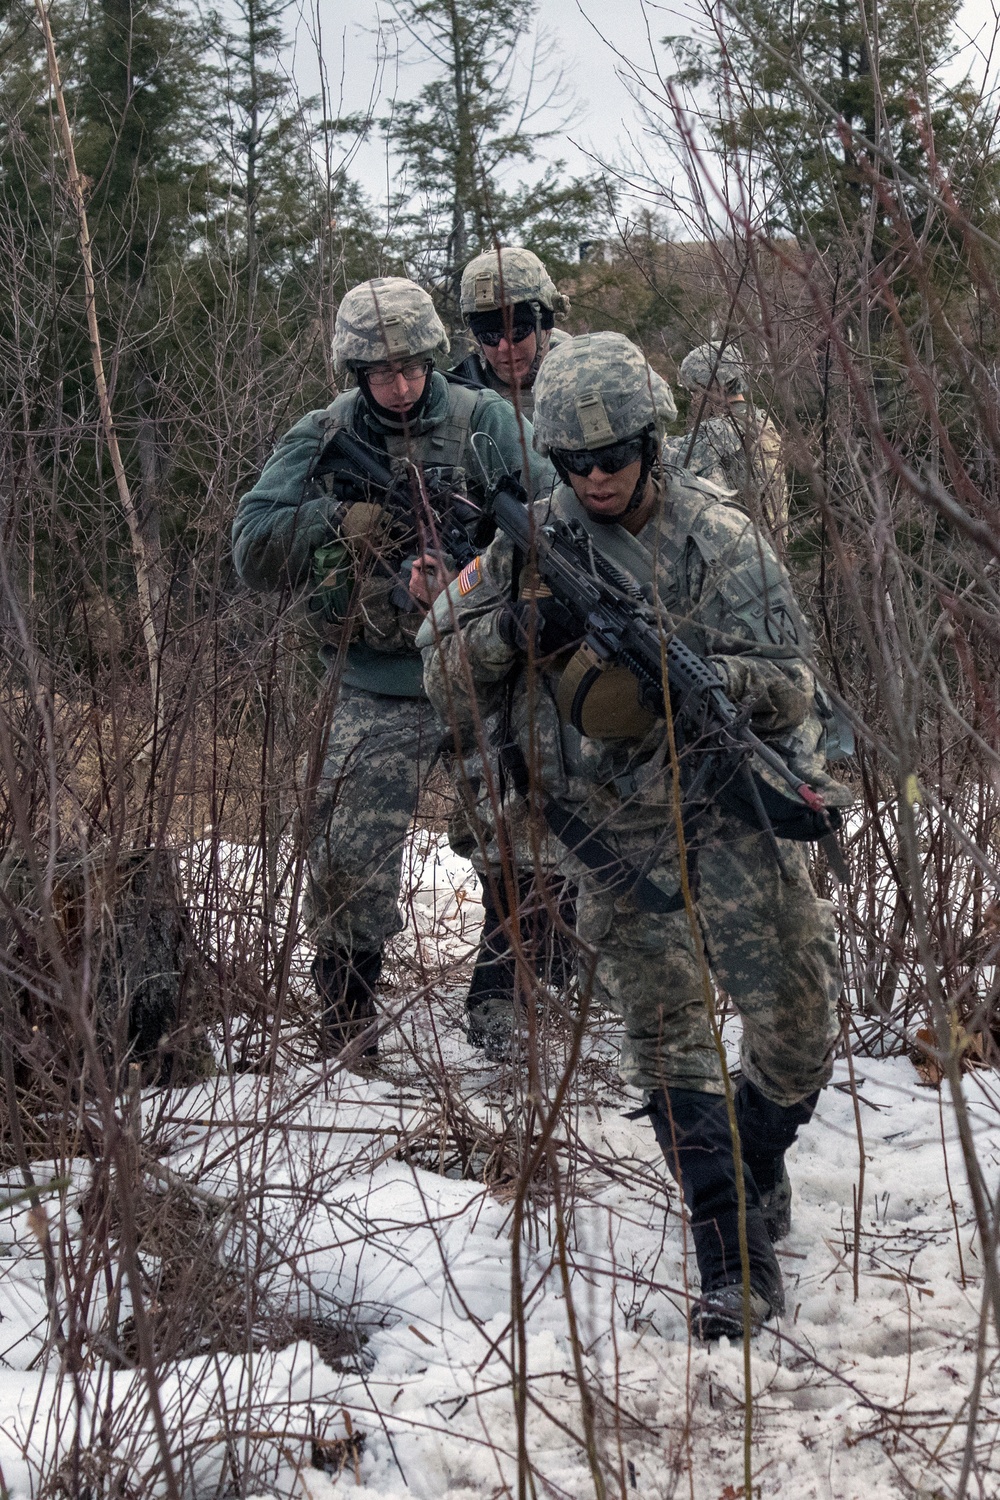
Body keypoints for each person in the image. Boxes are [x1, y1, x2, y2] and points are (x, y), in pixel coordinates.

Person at [419, 331, 852, 1339]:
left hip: (727, 809)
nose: (596, 478)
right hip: (609, 825)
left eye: (613, 457)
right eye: (575, 463)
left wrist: (698, 674)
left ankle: (749, 1163)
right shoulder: (535, 542)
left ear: (649, 446)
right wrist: (507, 635)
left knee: (798, 1026)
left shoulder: (720, 539)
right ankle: (729, 1255)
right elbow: (436, 657)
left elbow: (793, 680)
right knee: (668, 1041)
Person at [232, 275, 554, 1059]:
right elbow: (251, 547)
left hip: (483, 672)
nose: (402, 386)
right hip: (377, 680)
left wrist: (472, 582)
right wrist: (340, 519)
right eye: (383, 373)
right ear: (356, 373)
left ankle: (501, 999)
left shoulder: (486, 422)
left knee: (525, 837)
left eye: (412, 368)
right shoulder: (324, 431)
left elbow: (555, 525)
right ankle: (347, 1017)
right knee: (348, 852)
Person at [665, 341, 789, 537]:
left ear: (715, 387)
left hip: (745, 547)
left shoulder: (721, 429)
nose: (694, 400)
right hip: (771, 545)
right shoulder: (761, 420)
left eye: (696, 391)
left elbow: (670, 460)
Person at [450, 246, 570, 421]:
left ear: (546, 326)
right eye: (488, 336)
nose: (504, 347)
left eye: (517, 331)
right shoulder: (459, 396)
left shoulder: (588, 379)